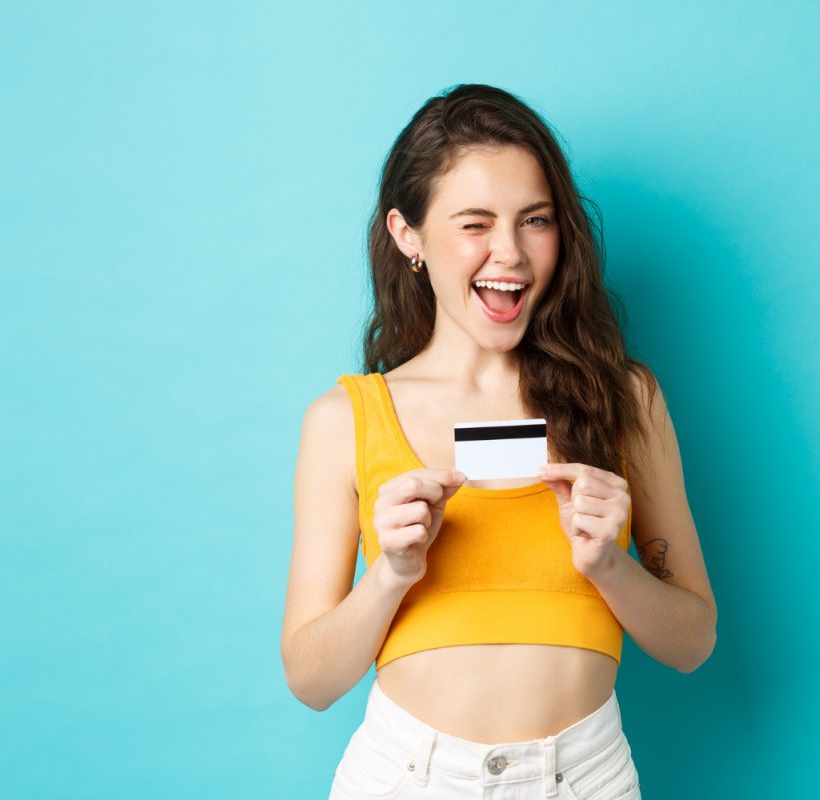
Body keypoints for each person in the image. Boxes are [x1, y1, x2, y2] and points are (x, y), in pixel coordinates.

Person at [281, 83, 717, 799]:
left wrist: (611, 566)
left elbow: (693, 643)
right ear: (407, 236)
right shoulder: (345, 419)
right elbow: (311, 679)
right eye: (474, 224)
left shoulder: (625, 399)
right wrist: (391, 572)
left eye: (535, 220)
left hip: (586, 778)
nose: (509, 253)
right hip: (403, 777)